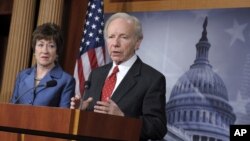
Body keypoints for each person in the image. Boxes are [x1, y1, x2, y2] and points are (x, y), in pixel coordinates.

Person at [70, 13, 167, 140]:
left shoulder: (152, 79)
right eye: (111, 37)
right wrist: (80, 112)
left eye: (123, 37)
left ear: (137, 42)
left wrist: (123, 118)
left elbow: (158, 128)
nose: (115, 43)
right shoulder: (96, 74)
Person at [10, 23, 75, 108]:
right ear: (34, 50)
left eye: (51, 46)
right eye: (40, 45)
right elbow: (11, 107)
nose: (45, 51)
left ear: (57, 52)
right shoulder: (22, 75)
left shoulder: (66, 80)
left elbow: (64, 116)